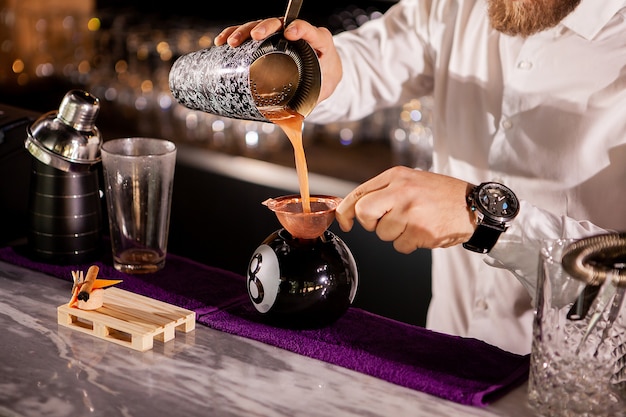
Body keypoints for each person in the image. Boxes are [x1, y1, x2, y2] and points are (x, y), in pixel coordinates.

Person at [214, 0, 626, 355]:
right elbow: (368, 61)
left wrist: (483, 221)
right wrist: (312, 68)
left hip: (573, 385)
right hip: (443, 358)